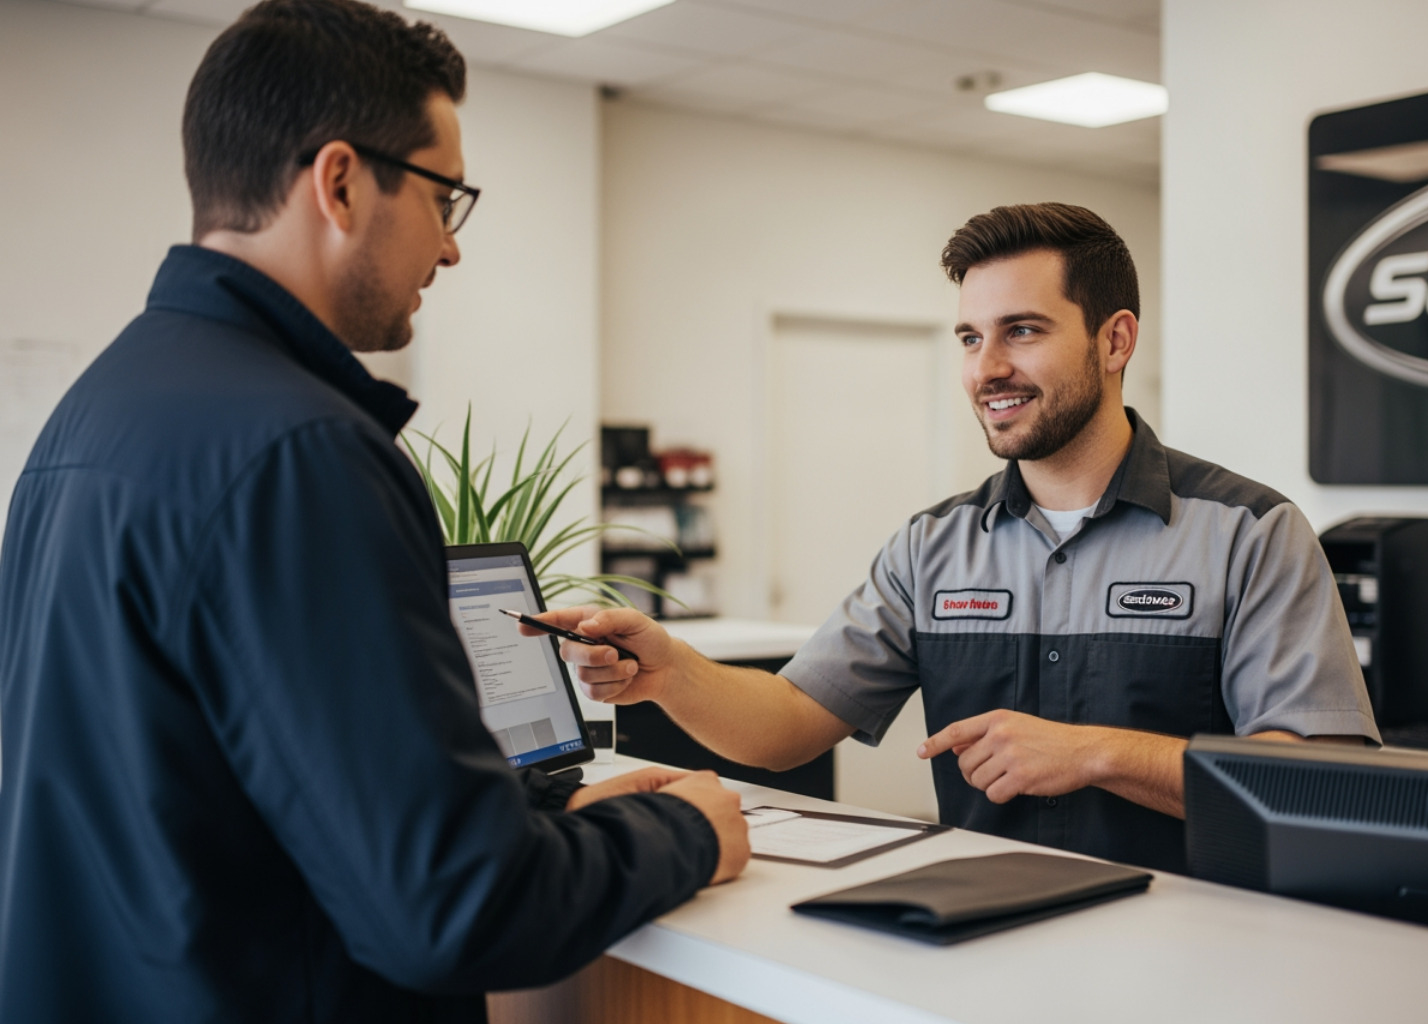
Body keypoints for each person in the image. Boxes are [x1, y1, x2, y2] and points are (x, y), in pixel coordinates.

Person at [0, 2, 746, 1021]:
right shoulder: (301, 451)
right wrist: (689, 832)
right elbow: (458, 908)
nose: (450, 248)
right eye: (447, 199)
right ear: (341, 182)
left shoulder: (94, 414)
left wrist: (545, 824)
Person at [536, 202, 1380, 875]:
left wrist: (1095, 754)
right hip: (983, 943)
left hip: (1201, 955)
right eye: (972, 339)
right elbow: (791, 722)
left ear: (1115, 338)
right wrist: (671, 670)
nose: (986, 369)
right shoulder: (932, 547)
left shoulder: (1251, 534)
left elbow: (1319, 785)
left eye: (1023, 330)